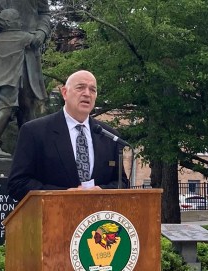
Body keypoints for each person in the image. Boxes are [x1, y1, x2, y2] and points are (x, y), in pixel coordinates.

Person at [8, 70, 129, 201]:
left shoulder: (109, 136)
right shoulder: (35, 131)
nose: (87, 94)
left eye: (92, 90)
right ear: (64, 93)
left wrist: (102, 191)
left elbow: (122, 182)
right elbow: (18, 184)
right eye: (80, 87)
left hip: (98, 218)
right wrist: (64, 194)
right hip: (52, 216)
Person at [0, 0, 51, 129]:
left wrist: (42, 32)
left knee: (27, 103)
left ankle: (28, 144)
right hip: (0, 50)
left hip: (28, 48)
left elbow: (44, 13)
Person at [0, 8, 36, 157]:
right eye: (17, 18)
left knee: (3, 109)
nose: (20, 21)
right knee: (5, 109)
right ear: (10, 23)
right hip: (11, 81)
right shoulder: (23, 36)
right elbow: (35, 41)